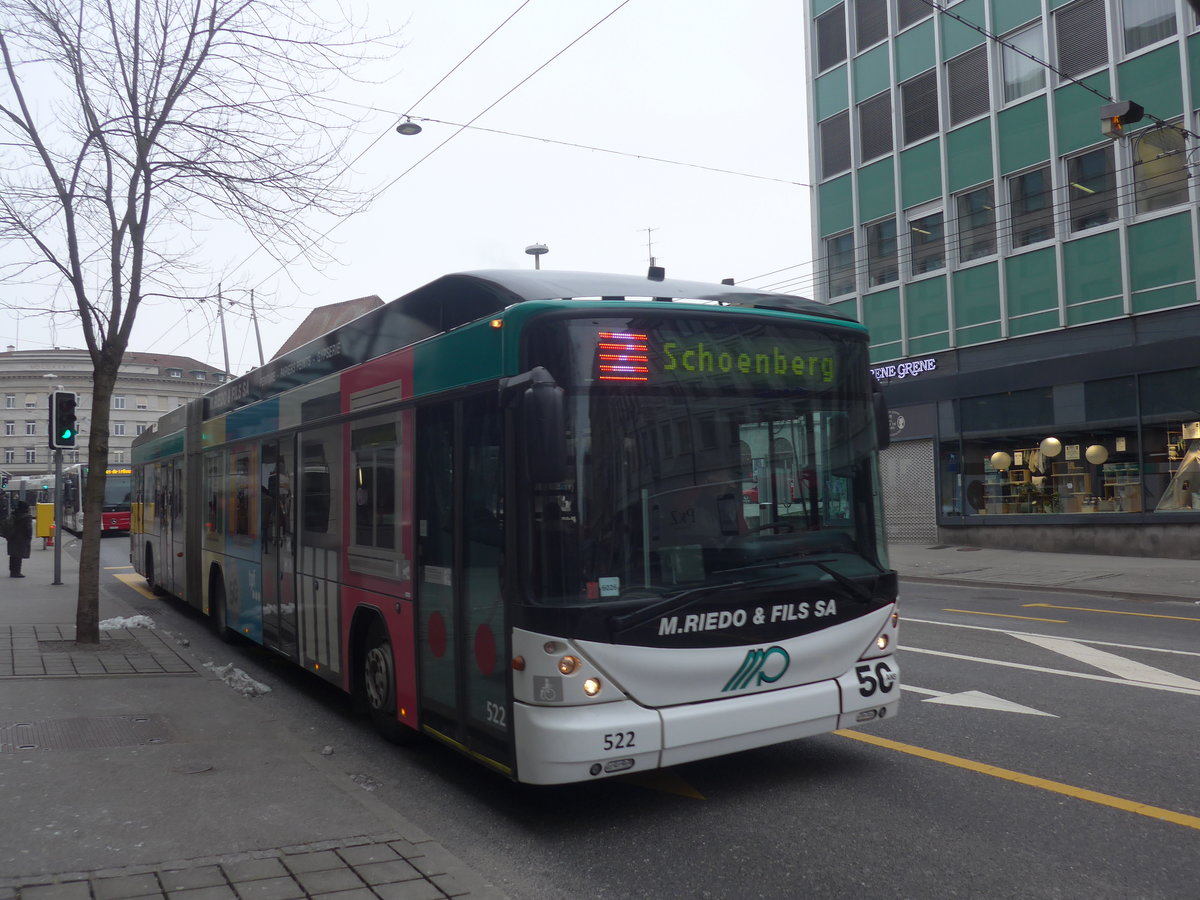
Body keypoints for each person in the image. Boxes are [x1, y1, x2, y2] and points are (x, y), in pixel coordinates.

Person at [6, 500, 33, 578]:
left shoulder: (13, 514)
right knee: (19, 555)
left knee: (13, 555)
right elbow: (28, 529)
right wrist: (29, 537)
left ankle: (12, 571)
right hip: (21, 538)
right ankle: (17, 572)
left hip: (12, 537)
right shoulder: (27, 517)